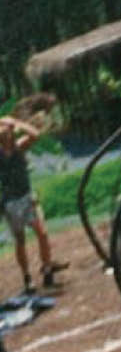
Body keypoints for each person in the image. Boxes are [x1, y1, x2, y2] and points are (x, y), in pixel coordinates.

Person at [0, 111, 67, 293]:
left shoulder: (19, 147)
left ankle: (47, 269)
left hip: (26, 196)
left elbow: (35, 134)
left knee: (42, 232)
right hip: (11, 202)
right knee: (20, 240)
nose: (11, 134)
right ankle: (27, 278)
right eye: (8, 133)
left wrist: (15, 121)